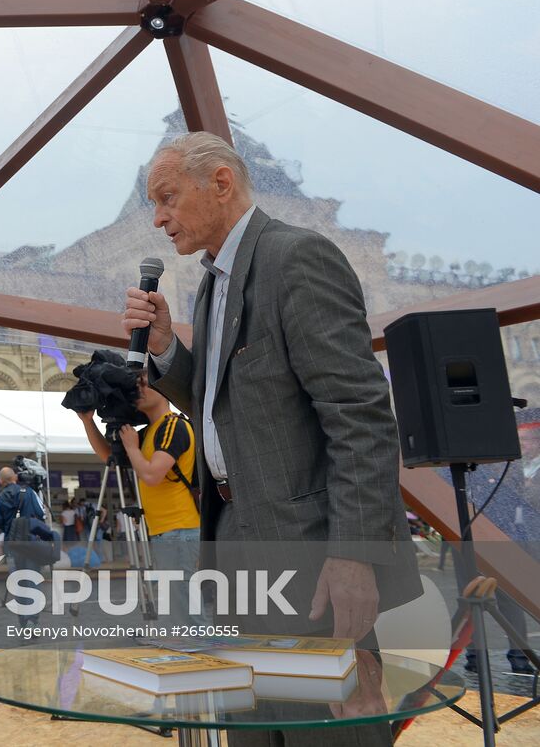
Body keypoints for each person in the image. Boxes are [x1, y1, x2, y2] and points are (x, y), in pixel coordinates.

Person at [124, 133, 421, 745]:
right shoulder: (212, 284)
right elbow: (220, 407)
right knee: (256, 730)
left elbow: (360, 413)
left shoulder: (296, 258)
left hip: (308, 556)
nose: (157, 217)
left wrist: (353, 552)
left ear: (222, 183)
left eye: (167, 197)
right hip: (236, 546)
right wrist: (164, 349)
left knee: (325, 730)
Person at [76, 370, 199, 624]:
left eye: (144, 384)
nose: (138, 391)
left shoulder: (173, 425)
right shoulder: (150, 432)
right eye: (135, 386)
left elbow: (152, 475)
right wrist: (87, 421)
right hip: (165, 530)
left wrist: (132, 447)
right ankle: (185, 648)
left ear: (163, 389)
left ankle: (200, 651)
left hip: (180, 528)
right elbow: (110, 456)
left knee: (183, 602)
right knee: (177, 600)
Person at [0, 467, 52, 630]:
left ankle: (23, 621)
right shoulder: (30, 492)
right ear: (15, 478)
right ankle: (34, 620)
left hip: (12, 545)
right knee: (33, 581)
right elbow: (41, 513)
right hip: (32, 543)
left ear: (0, 481)